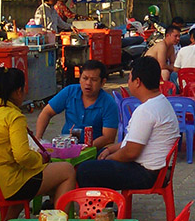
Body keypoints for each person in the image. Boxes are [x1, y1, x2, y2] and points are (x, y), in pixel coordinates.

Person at [0, 66, 76, 217]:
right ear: (18, 91)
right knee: (67, 170)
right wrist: (40, 158)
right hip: (5, 186)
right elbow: (22, 156)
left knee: (34, 177)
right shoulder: (14, 116)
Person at [76, 57, 180, 190]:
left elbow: (131, 152)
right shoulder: (160, 102)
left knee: (86, 170)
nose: (128, 82)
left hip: (148, 174)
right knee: (100, 153)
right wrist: (109, 150)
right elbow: (132, 142)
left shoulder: (146, 110)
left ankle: (102, 207)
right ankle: (106, 204)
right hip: (157, 170)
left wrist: (110, 158)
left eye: (129, 78)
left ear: (137, 82)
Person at [34, 60, 119, 148]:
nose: (88, 83)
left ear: (103, 82)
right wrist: (38, 139)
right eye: (85, 78)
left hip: (94, 150)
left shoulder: (109, 103)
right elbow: (46, 113)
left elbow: (108, 138)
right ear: (80, 79)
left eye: (94, 80)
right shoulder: (70, 92)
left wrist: (86, 148)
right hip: (66, 146)